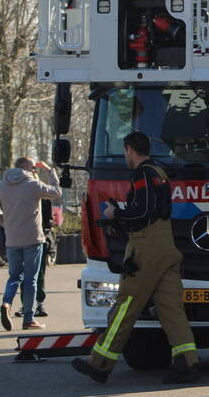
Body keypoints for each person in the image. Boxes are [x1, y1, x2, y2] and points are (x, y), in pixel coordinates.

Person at [71, 131, 199, 384]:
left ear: (130, 150)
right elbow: (155, 209)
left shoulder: (143, 174)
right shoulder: (160, 172)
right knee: (171, 309)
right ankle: (187, 363)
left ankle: (100, 363)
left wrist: (115, 214)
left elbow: (142, 211)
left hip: (146, 247)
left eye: (124, 152)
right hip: (166, 245)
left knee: (125, 305)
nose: (124, 156)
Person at [0, 157, 61, 331]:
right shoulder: (32, 184)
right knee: (31, 280)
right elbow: (57, 192)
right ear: (28, 169)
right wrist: (49, 170)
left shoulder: (2, 185)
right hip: (33, 238)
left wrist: (5, 222)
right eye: (34, 168)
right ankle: (29, 318)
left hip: (12, 238)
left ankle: (6, 302)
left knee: (14, 276)